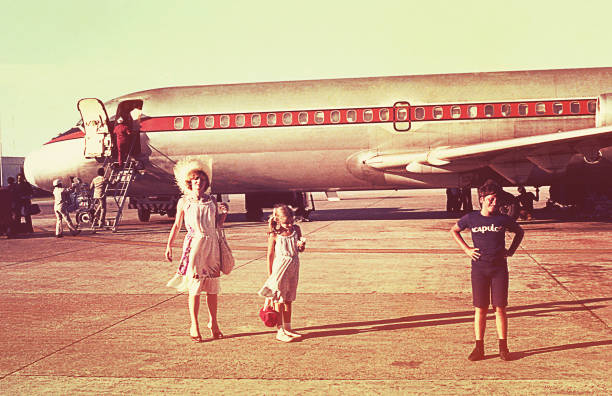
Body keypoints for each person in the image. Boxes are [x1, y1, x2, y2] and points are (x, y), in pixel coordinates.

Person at [450, 180, 524, 361]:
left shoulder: (503, 219)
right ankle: (479, 347)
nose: (494, 202)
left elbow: (519, 232)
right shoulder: (471, 218)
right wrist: (467, 249)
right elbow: (454, 230)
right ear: (482, 199)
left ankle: (503, 348)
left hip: (499, 269)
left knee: (500, 308)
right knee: (480, 309)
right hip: (479, 270)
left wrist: (511, 251)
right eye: (491, 199)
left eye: (496, 199)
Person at [165, 159, 229, 342]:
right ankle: (194, 324)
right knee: (195, 286)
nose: (198, 183)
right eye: (195, 180)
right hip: (194, 246)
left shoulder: (212, 201)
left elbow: (216, 225)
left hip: (212, 246)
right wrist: (169, 245)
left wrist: (223, 216)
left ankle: (213, 323)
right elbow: (177, 225)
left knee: (212, 287)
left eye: (201, 180)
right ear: (189, 183)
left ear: (205, 183)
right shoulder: (184, 202)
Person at [258, 204, 306, 342]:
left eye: (292, 221)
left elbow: (299, 250)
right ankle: (280, 330)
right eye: (286, 223)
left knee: (289, 298)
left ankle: (288, 327)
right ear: (278, 221)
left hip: (293, 266)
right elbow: (270, 255)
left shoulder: (296, 230)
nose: (290, 225)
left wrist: (301, 247)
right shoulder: (274, 234)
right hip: (280, 268)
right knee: (279, 299)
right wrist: (270, 273)